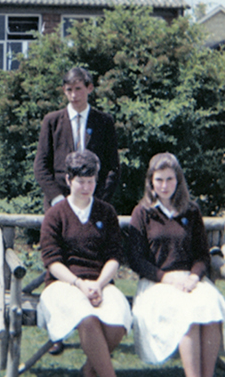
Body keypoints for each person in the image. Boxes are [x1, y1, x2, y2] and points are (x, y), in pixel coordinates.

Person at [127, 153, 225, 377]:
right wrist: (166, 278)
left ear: (178, 181)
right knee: (189, 316)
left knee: (213, 308)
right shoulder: (143, 213)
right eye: (159, 180)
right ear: (151, 182)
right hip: (156, 283)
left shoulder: (191, 211)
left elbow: (202, 255)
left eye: (170, 179)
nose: (164, 186)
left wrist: (194, 277)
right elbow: (136, 260)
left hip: (190, 281)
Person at [38, 150, 132, 377]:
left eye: (91, 181)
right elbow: (52, 260)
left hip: (100, 283)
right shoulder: (55, 214)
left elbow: (114, 256)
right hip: (65, 284)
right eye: (81, 181)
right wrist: (80, 284)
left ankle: (89, 372)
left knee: (118, 320)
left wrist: (99, 284)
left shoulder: (106, 212)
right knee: (87, 317)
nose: (86, 187)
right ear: (69, 180)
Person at [34, 67, 119, 212]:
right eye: (69, 90)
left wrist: (97, 201)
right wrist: (58, 199)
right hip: (58, 205)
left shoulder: (104, 122)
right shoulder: (52, 121)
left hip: (94, 206)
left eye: (78, 89)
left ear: (89, 88)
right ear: (64, 90)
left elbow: (113, 168)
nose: (73, 95)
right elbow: (41, 166)